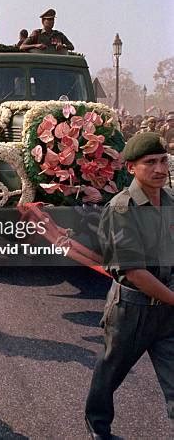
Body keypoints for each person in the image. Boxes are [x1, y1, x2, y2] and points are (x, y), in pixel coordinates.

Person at [85, 132, 174, 439]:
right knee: (110, 374)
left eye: (163, 160)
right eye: (150, 162)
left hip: (168, 311)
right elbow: (134, 271)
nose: (160, 168)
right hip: (131, 312)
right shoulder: (121, 209)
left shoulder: (171, 201)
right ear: (132, 168)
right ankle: (98, 427)